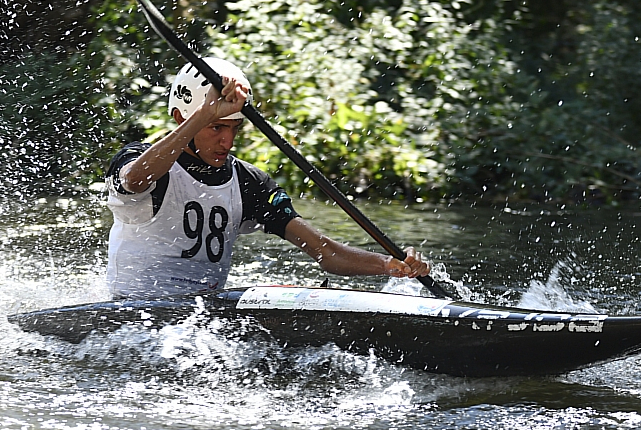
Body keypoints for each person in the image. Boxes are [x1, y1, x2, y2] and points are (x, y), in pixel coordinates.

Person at [105, 57, 432, 298]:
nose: (227, 142)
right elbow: (135, 179)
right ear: (180, 117)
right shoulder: (141, 160)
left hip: (203, 317)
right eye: (216, 127)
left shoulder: (248, 182)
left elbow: (325, 252)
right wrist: (203, 113)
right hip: (136, 311)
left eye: (234, 128)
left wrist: (390, 264)